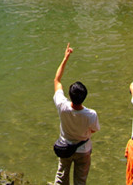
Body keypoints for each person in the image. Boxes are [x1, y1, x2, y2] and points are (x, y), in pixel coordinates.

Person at [53, 43, 100, 185]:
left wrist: (66, 57)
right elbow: (94, 130)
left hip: (65, 146)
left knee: (61, 179)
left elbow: (57, 80)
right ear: (85, 96)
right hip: (83, 149)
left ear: (69, 95)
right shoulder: (91, 114)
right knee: (80, 181)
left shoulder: (62, 105)